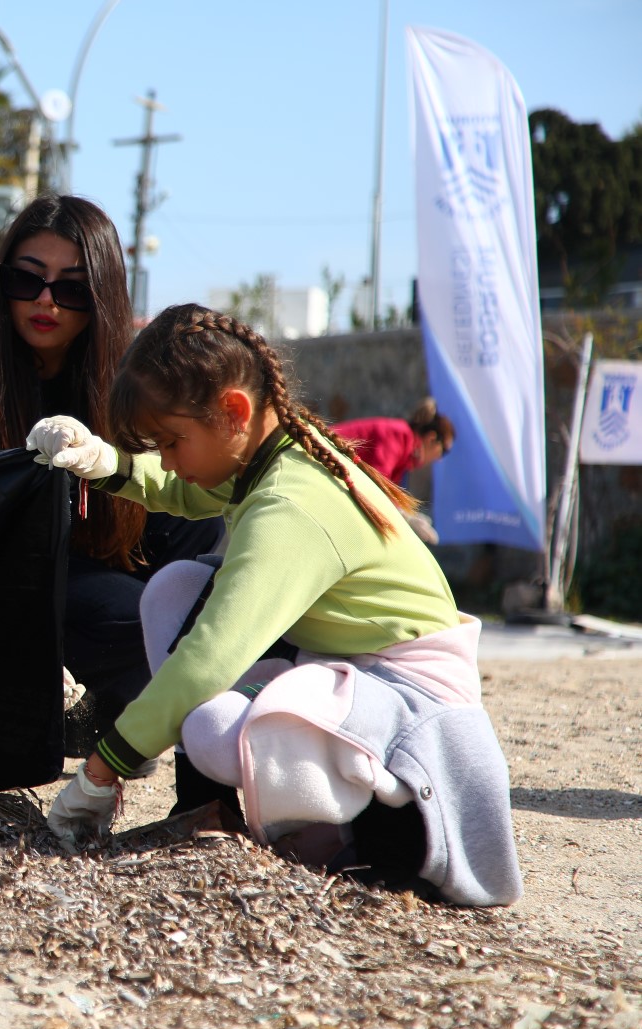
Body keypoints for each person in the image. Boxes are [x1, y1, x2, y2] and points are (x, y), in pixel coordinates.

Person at [28, 304, 521, 906]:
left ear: (234, 411)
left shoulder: (290, 505)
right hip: (350, 663)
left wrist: (102, 770)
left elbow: (206, 660)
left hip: (412, 705)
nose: (171, 458)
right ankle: (205, 807)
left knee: (212, 726)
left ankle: (358, 835)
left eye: (172, 440)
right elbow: (186, 487)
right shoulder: (276, 451)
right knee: (176, 587)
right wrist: (104, 463)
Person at [0, 194, 222, 748]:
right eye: (26, 280)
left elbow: (167, 501)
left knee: (183, 575)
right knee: (132, 619)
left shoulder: (120, 374)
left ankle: (116, 707)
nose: (46, 301)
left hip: (68, 573)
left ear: (100, 298)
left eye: (72, 287)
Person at [333, 399, 454, 543]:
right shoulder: (398, 435)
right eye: (444, 451)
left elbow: (387, 494)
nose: (440, 458)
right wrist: (404, 517)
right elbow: (376, 484)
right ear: (431, 439)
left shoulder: (406, 449)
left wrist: (406, 514)